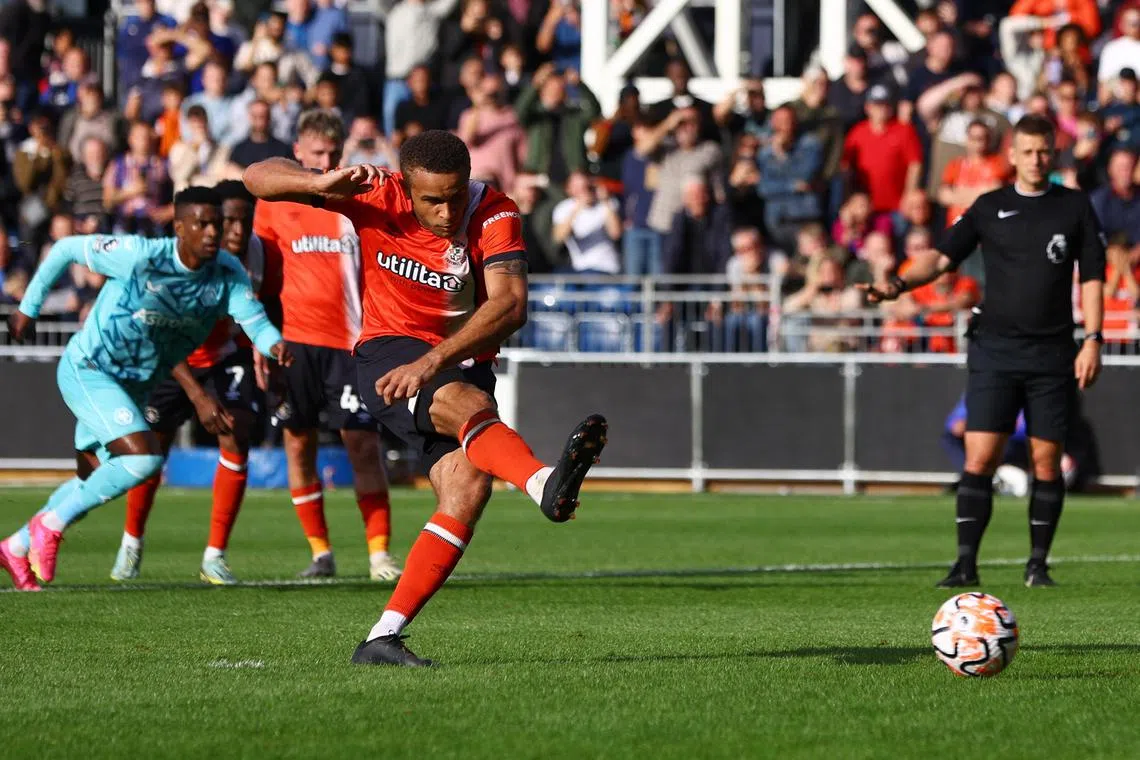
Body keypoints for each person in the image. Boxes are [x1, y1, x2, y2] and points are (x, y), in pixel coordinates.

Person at [242, 129, 608, 666]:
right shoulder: (375, 193)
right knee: (468, 408)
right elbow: (256, 177)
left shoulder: (496, 212)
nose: (446, 211)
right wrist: (320, 183)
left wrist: (433, 361)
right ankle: (540, 483)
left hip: (450, 361)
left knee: (467, 488)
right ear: (407, 187)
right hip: (389, 355)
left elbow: (510, 306)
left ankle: (382, 636)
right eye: (432, 200)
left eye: (455, 196)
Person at [0, 186, 291, 591]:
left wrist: (275, 345)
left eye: (216, 224)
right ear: (179, 227)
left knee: (92, 477)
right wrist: (28, 309)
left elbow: (254, 321)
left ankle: (15, 546)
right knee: (144, 458)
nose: (213, 232)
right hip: (91, 368)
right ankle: (50, 525)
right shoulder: (141, 255)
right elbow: (66, 248)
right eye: (203, 224)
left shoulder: (227, 273)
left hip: (136, 384)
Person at [864, 115, 1106, 588]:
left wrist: (1093, 339)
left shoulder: (1074, 207)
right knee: (979, 458)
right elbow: (941, 257)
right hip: (995, 349)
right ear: (1011, 155)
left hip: (1052, 352)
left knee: (1045, 461)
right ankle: (964, 564)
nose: (1036, 159)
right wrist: (898, 284)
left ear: (1053, 153)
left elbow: (1093, 277)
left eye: (1044, 151)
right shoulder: (990, 206)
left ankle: (1037, 564)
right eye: (1027, 151)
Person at [251, 109, 401, 582]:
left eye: (334, 153)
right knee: (298, 445)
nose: (326, 161)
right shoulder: (275, 201)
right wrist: (260, 338)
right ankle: (320, 553)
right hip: (296, 344)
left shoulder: (356, 196)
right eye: (317, 153)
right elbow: (263, 280)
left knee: (363, 445)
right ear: (297, 151)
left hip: (352, 344)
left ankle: (379, 556)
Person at [109, 181, 266, 584]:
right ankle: (131, 542)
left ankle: (215, 556)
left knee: (236, 433)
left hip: (224, 355)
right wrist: (196, 394)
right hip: (171, 358)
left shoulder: (259, 254)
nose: (234, 231)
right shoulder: (171, 262)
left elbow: (268, 305)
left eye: (244, 221)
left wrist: (265, 349)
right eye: (225, 221)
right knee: (150, 452)